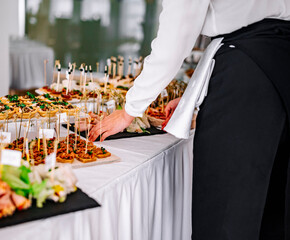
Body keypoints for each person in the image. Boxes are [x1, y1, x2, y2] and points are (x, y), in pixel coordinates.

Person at [89, 1, 290, 239]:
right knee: (271, 208)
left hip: (246, 74)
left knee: (226, 213)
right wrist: (192, 95)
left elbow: (176, 34)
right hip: (279, 65)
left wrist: (129, 111)